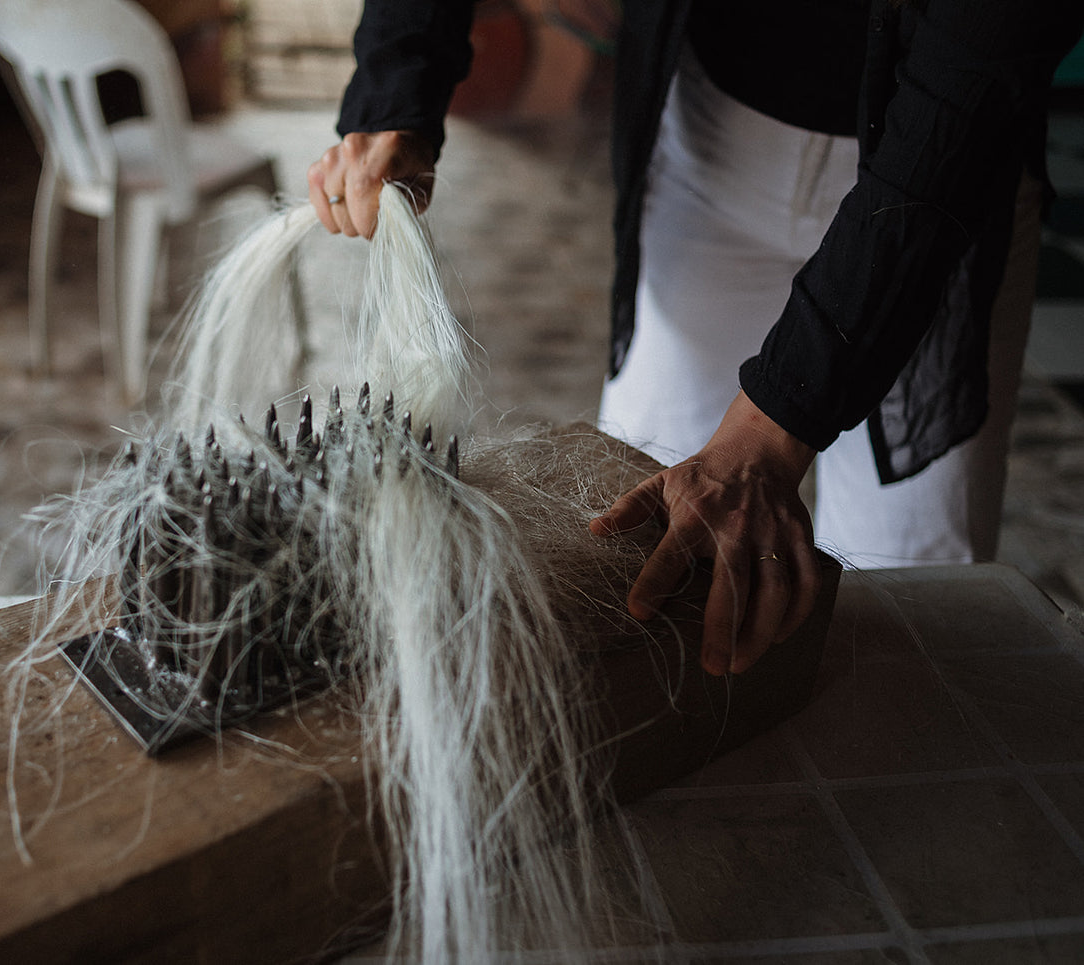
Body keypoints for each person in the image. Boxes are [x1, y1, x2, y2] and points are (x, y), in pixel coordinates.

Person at [307, 0, 1084, 677]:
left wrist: (769, 430)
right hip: (710, 145)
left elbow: (959, 111)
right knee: (623, 552)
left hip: (933, 197)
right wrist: (395, 88)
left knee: (911, 601)